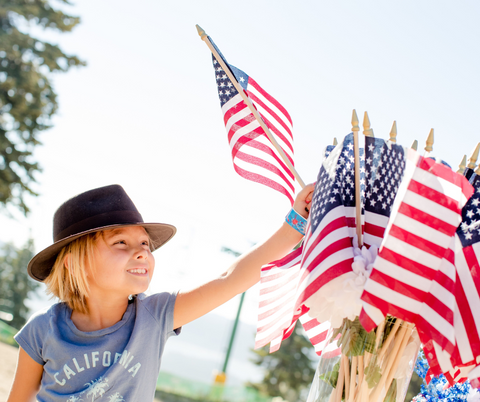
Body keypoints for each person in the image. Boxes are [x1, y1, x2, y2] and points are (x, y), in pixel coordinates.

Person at [7, 183, 314, 402]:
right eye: (121, 243)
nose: (142, 253)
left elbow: (228, 279)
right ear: (77, 261)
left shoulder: (155, 316)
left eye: (145, 244)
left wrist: (295, 225)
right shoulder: (41, 331)